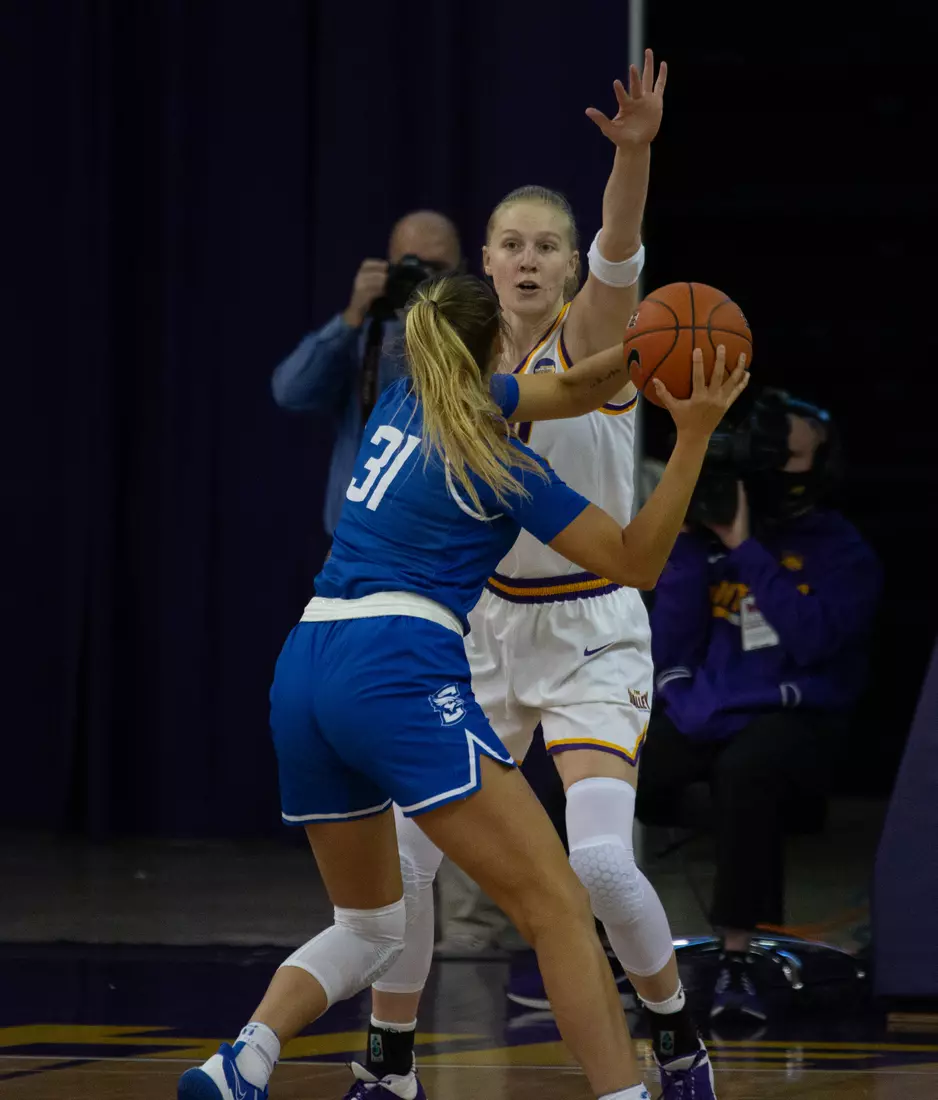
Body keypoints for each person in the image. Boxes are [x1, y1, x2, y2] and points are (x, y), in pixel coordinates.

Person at [176, 269, 749, 1100]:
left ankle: (245, 1057)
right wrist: (693, 432)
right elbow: (637, 561)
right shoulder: (500, 462)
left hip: (305, 662)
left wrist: (640, 359)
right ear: (492, 354)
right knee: (556, 905)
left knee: (369, 926)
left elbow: (572, 386)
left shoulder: (402, 403)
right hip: (393, 669)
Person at [357, 50, 718, 1100]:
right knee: (405, 857)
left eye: (545, 247)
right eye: (510, 244)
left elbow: (621, 243)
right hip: (482, 630)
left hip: (591, 626)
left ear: (566, 266)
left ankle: (672, 1031)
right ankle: (388, 1065)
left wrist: (634, 157)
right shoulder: (455, 364)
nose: (527, 260)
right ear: (485, 257)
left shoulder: (597, 335)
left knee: (600, 864)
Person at [636, 391, 882, 1022]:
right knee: (605, 761)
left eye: (792, 456)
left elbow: (814, 643)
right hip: (710, 713)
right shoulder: (701, 541)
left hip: (797, 721)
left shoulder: (841, 549)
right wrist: (700, 542)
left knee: (746, 770)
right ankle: (602, 942)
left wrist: (747, 549)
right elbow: (669, 647)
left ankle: (740, 956)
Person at [271, 210, 462, 538]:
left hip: (445, 551)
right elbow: (290, 391)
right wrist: (352, 316)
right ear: (390, 269)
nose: (424, 281)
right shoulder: (364, 336)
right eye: (413, 267)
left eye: (438, 270)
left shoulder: (482, 341)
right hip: (359, 550)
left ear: (463, 271)